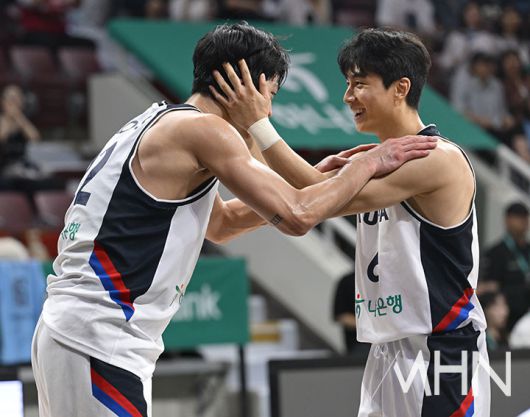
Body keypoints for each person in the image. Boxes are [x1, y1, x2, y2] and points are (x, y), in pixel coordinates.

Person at [30, 23, 436, 417]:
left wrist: (317, 178)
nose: (268, 109)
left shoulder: (164, 121)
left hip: (78, 330)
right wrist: (368, 164)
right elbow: (297, 216)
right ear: (244, 83)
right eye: (269, 94)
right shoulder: (206, 131)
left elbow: (221, 224)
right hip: (99, 333)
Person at [210, 27, 490, 417]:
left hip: (441, 347)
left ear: (400, 88)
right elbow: (297, 192)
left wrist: (258, 124)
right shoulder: (373, 158)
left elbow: (311, 196)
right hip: (387, 349)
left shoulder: (436, 158)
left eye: (359, 84)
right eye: (347, 84)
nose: (347, 96)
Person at [480, 202, 530, 330]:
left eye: (524, 218)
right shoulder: (496, 253)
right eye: (517, 217)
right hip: (507, 316)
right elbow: (489, 287)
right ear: (507, 220)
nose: (522, 222)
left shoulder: (528, 250)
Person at [332, 270, 369, 355]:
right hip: (359, 343)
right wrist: (368, 326)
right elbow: (343, 316)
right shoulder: (348, 281)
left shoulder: (384, 279)